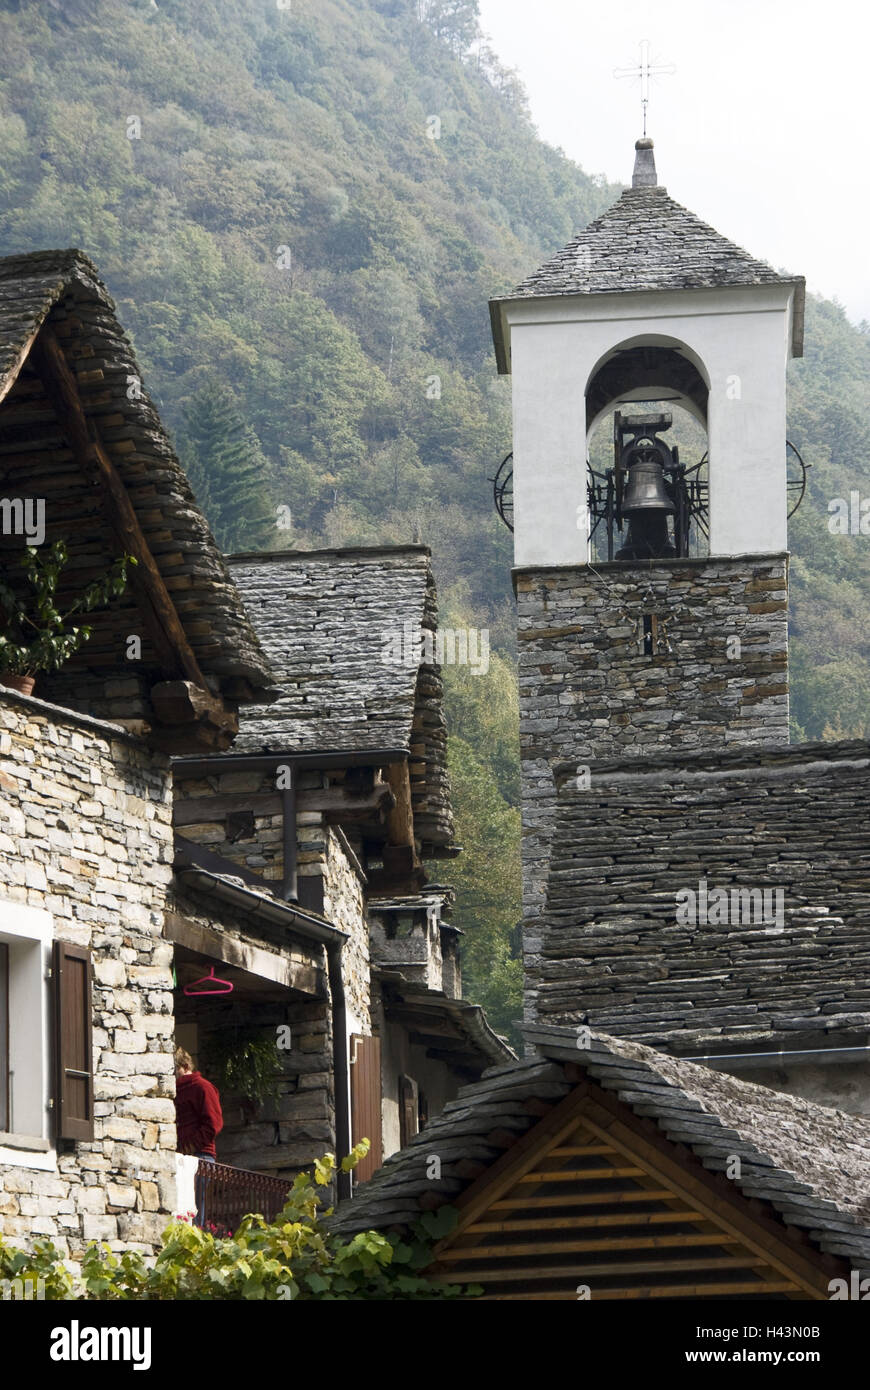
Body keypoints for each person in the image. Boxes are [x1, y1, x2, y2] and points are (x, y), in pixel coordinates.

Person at [174, 1047, 223, 1227]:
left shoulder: (202, 1087)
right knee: (181, 1206)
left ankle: (197, 1245)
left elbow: (213, 1124)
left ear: (185, 1066)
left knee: (195, 1208)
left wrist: (190, 1147)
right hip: (181, 1155)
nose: (175, 1076)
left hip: (200, 1155)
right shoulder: (174, 1090)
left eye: (176, 1070)